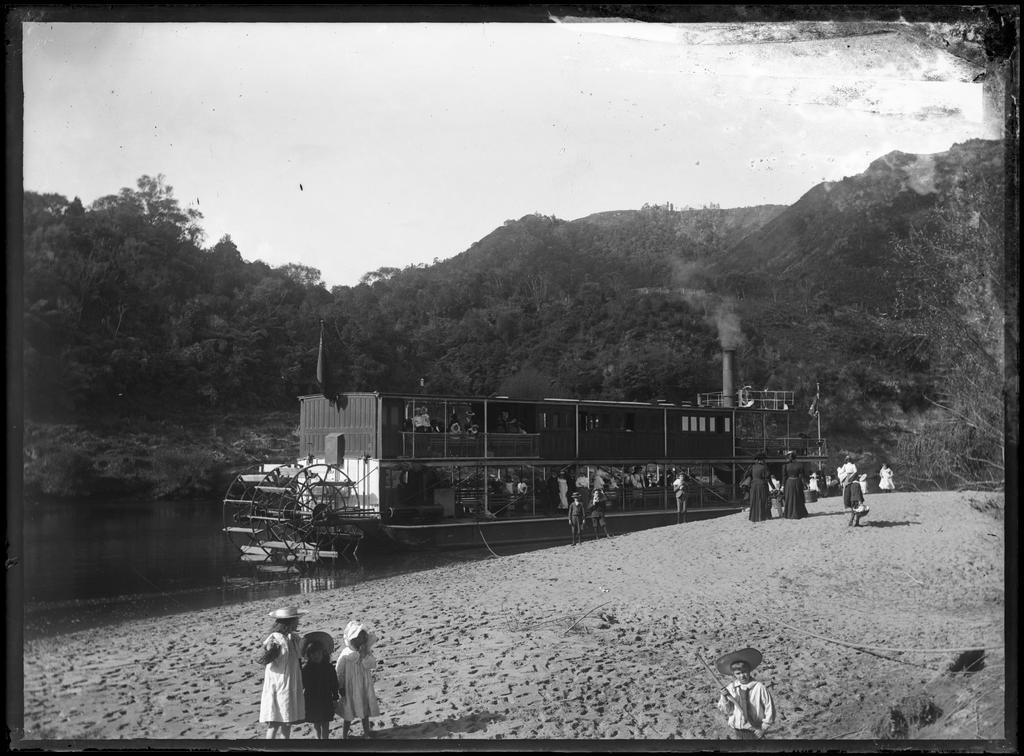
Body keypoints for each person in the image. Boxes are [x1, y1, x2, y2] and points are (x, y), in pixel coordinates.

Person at [258, 606, 306, 739]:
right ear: (289, 622)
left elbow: (301, 654)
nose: (298, 623)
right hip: (278, 683)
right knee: (274, 722)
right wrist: (271, 648)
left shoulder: (293, 638)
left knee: (287, 721)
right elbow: (266, 655)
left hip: (289, 682)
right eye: (296, 620)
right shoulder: (275, 638)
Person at [715, 648, 776, 740]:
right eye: (738, 673)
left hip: (756, 729)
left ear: (749, 671)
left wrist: (763, 728)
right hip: (738, 730)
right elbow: (727, 711)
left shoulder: (759, 687)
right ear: (734, 674)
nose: (742, 676)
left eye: (744, 672)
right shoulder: (730, 688)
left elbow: (769, 708)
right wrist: (724, 697)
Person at [335, 621, 380, 739]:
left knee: (364, 709)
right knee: (348, 712)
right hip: (350, 687)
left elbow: (371, 665)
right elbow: (339, 671)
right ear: (352, 640)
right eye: (357, 638)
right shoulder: (346, 654)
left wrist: (364, 654)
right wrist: (340, 686)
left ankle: (366, 732)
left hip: (364, 686)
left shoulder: (366, 652)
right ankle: (344, 735)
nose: (360, 640)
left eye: (362, 637)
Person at [300, 633, 339, 740]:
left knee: (326, 721)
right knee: (316, 720)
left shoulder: (329, 667)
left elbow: (334, 683)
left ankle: (325, 739)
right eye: (312, 653)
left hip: (326, 697)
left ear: (323, 653)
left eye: (318, 652)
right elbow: (302, 685)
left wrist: (335, 697)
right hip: (312, 699)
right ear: (308, 655)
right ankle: (318, 738)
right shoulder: (306, 669)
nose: (316, 655)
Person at [782, 451, 808, 519]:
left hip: (789, 483)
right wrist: (805, 484)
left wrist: (782, 485)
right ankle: (799, 513)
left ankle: (789, 513)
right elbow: (802, 476)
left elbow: (784, 477)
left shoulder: (785, 466)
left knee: (789, 498)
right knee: (798, 497)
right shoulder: (800, 465)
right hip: (797, 482)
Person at [747, 454, 772, 522]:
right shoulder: (764, 467)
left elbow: (747, 475)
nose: (764, 461)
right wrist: (773, 487)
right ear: (760, 460)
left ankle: (754, 517)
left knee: (754, 500)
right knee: (763, 500)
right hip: (762, 485)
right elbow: (768, 478)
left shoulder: (751, 467)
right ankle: (763, 516)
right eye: (763, 459)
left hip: (753, 485)